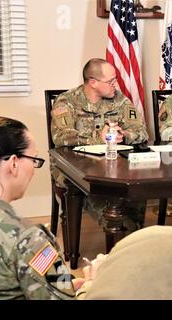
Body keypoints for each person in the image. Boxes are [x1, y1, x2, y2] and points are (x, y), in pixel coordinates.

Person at [0, 116, 97, 299]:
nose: (33, 168)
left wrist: (63, 285)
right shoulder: (28, 239)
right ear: (14, 163)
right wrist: (91, 286)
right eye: (33, 159)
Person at [50, 58, 149, 231]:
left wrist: (122, 135)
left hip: (113, 166)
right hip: (77, 169)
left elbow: (141, 132)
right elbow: (61, 137)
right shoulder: (67, 101)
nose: (115, 85)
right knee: (110, 207)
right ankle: (118, 233)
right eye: (111, 81)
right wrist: (99, 136)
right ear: (93, 82)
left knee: (137, 190)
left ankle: (131, 236)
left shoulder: (119, 100)